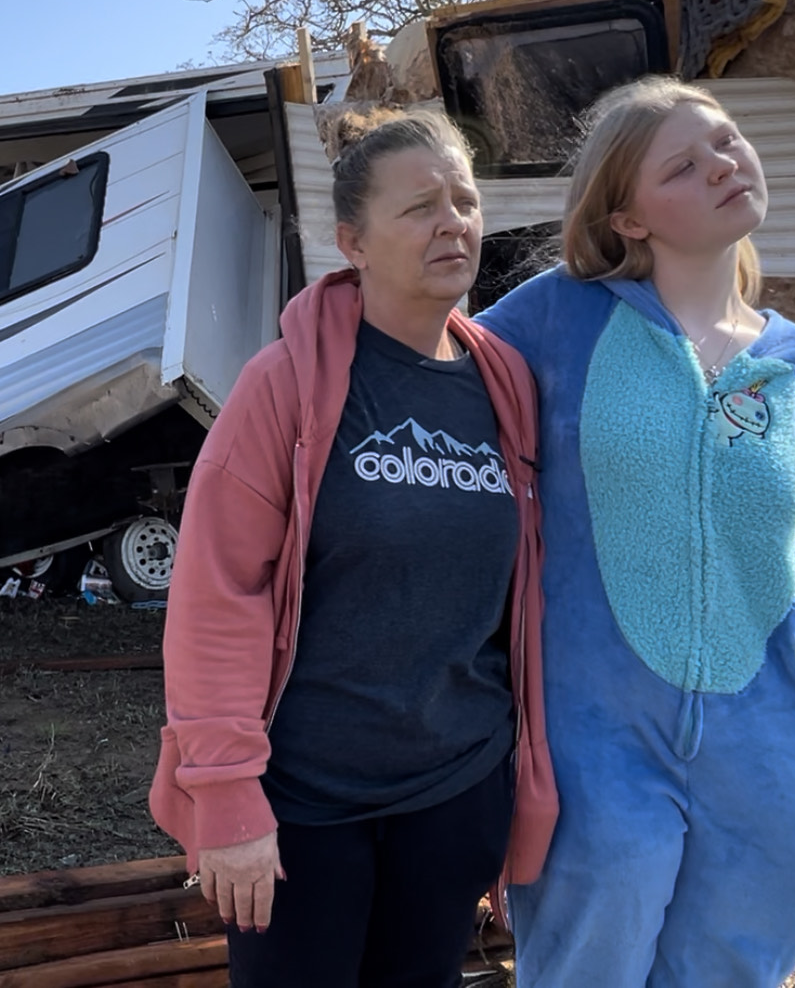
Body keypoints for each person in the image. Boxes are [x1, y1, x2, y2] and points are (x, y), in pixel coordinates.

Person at [148, 111, 557, 987]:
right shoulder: (286, 384)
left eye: (464, 200)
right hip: (302, 801)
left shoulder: (506, 382)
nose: (452, 222)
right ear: (352, 243)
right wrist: (226, 797)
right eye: (419, 208)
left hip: (455, 787)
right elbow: (218, 596)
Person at [476, 76, 795, 987]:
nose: (722, 166)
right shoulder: (549, 321)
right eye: (682, 167)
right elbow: (419, 372)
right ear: (627, 219)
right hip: (593, 752)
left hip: (773, 757)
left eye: (726, 142)